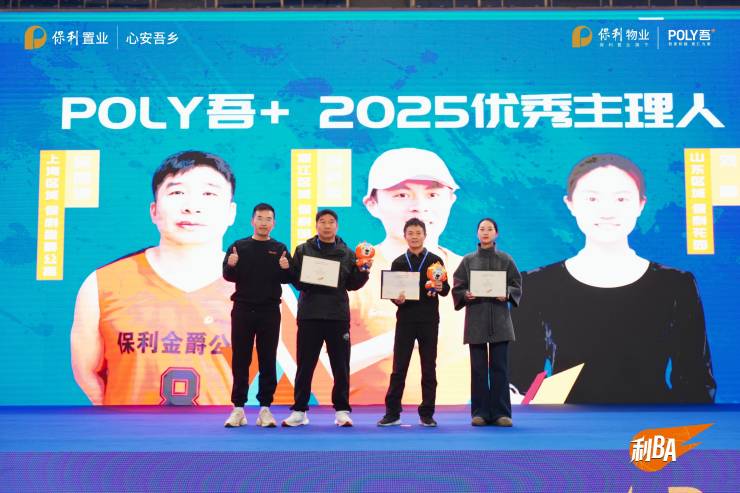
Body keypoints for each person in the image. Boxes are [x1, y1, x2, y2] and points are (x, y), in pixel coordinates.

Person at [509, 153, 717, 404]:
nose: (606, 212)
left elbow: (696, 384)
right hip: (567, 426)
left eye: (621, 199)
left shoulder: (676, 285)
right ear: (570, 204)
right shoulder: (535, 285)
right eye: (592, 198)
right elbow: (517, 384)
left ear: (640, 204)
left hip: (652, 426)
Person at [70, 151, 237, 405]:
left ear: (231, 213)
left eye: (209, 194)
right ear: (154, 210)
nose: (192, 206)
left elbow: (295, 374)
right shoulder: (101, 284)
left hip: (223, 432)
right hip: (129, 432)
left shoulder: (263, 286)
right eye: (177, 192)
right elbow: (87, 374)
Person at [349, 147, 468, 405]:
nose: (419, 208)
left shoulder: (469, 270)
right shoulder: (352, 274)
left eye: (433, 194)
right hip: (368, 422)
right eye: (401, 195)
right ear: (372, 204)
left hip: (458, 424)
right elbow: (313, 365)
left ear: (451, 200)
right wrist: (394, 341)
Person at [282, 209, 371, 427]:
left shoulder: (347, 253)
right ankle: (299, 410)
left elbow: (352, 284)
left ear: (337, 226)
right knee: (305, 365)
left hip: (337, 316)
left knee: (340, 366)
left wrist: (364, 271)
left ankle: (342, 411)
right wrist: (289, 270)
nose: (327, 225)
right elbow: (297, 282)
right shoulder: (303, 250)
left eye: (331, 222)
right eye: (323, 221)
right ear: (316, 225)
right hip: (310, 315)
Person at [222, 203, 292, 428]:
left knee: (268, 359)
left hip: (269, 311)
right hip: (243, 310)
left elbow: (288, 278)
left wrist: (286, 268)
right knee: (241, 359)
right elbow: (228, 275)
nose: (263, 223)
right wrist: (231, 265)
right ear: (252, 221)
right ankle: (238, 408)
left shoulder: (280, 248)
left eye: (268, 219)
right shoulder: (238, 246)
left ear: (274, 223)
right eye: (260, 218)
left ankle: (265, 409)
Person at [377, 218, 449, 428]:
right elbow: (393, 293)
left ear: (425, 235)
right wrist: (396, 299)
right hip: (406, 320)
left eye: (418, 233)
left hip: (429, 321)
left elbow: (445, 289)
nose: (414, 237)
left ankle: (427, 413)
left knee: (429, 368)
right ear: (405, 236)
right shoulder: (398, 262)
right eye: (411, 233)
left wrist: (440, 287)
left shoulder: (435, 260)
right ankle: (392, 413)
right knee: (399, 368)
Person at [452, 218, 522, 427]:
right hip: (476, 320)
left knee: (500, 368)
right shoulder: (468, 261)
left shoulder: (505, 259)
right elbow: (458, 287)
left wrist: (507, 293)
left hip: (500, 321)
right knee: (478, 369)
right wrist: (465, 294)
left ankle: (502, 413)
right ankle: (480, 413)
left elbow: (516, 284)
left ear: (496, 233)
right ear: (477, 233)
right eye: (482, 229)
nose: (485, 232)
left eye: (489, 229)